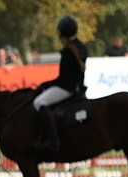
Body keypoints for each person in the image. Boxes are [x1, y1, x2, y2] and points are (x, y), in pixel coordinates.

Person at [32, 15, 88, 154]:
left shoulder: (67, 51)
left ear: (61, 33)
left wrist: (45, 84)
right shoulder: (82, 47)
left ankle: (53, 140)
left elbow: (63, 79)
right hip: (79, 88)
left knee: (39, 103)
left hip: (68, 89)